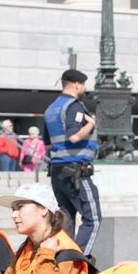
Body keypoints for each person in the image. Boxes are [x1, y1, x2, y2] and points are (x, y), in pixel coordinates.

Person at [0, 183, 90, 274]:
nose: (14, 215)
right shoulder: (27, 247)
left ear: (43, 209)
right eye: (13, 209)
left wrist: (46, 254)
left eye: (20, 207)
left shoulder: (66, 251)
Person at [45, 68, 101, 251]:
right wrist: (91, 124)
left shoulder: (51, 109)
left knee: (65, 221)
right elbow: (74, 137)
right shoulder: (74, 106)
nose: (84, 88)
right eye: (83, 84)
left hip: (57, 172)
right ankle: (78, 262)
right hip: (76, 170)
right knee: (93, 218)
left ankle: (62, 262)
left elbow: (47, 143)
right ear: (77, 84)